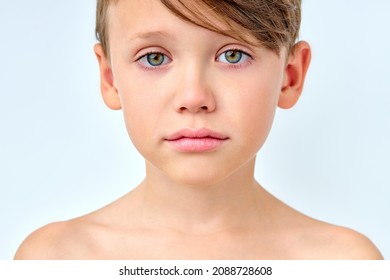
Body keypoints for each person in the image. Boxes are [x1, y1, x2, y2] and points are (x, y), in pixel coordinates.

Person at [14, 0, 383, 259]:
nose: (194, 97)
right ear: (109, 77)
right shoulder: (53, 260)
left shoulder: (344, 264)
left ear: (291, 76)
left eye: (233, 55)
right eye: (154, 58)